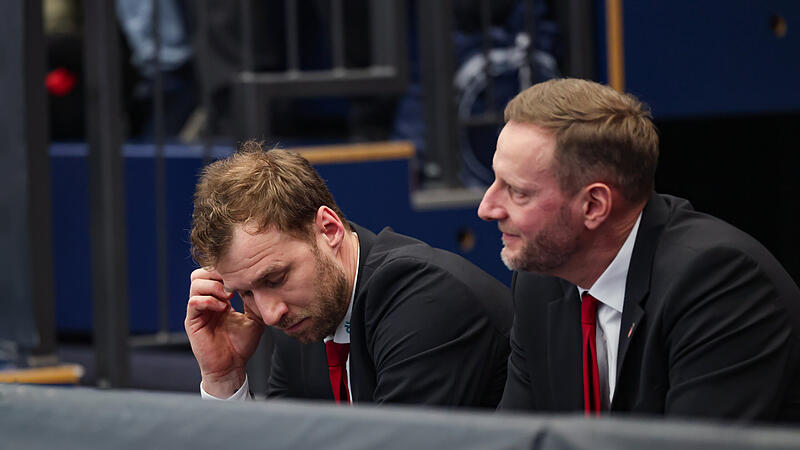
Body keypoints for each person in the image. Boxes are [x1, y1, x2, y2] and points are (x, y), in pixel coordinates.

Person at [477, 78, 800, 421]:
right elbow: (515, 438)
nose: (486, 208)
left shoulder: (719, 283)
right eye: (495, 180)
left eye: (517, 192)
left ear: (594, 205)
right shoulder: (539, 284)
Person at [186, 141, 512, 407]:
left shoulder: (425, 297)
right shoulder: (304, 320)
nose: (270, 314)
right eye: (245, 293)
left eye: (275, 279)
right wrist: (224, 378)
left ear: (329, 229)